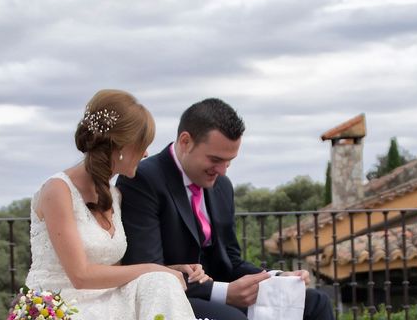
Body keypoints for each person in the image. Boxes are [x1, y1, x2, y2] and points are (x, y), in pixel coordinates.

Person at [117, 98, 334, 320]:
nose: (222, 171)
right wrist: (224, 293)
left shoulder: (222, 186)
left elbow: (230, 259)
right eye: (215, 160)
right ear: (185, 142)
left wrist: (276, 277)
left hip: (223, 295)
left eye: (229, 162)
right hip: (173, 297)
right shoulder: (142, 179)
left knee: (316, 303)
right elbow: (148, 270)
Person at [25, 89, 198, 320]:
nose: (146, 153)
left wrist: (167, 271)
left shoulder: (114, 195)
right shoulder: (58, 190)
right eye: (142, 144)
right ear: (121, 147)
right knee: (158, 276)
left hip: (108, 300)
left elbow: (114, 271)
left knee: (162, 283)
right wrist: (154, 268)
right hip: (61, 304)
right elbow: (80, 275)